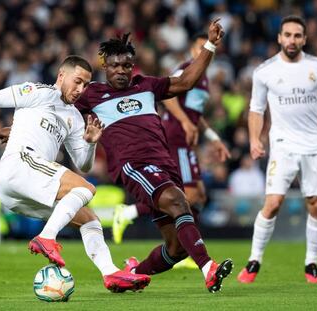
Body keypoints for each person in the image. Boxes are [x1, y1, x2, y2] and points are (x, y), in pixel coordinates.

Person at [0, 55, 150, 293]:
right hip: (21, 163)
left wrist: (92, 143)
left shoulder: (73, 117)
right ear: (61, 76)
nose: (80, 89)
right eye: (77, 81)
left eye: (85, 84)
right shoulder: (39, 91)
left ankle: (111, 273)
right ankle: (47, 237)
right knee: (87, 189)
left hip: (20, 192)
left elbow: (83, 164)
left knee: (89, 218)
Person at [75, 20, 233, 293]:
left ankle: (132, 274)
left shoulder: (146, 85)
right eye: (115, 66)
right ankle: (209, 268)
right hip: (133, 165)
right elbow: (58, 106)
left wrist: (210, 45)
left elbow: (185, 81)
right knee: (178, 201)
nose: (122, 71)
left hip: (164, 163)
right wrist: (19, 128)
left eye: (126, 65)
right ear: (105, 67)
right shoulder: (92, 95)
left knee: (177, 248)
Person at [112, 34, 231, 270]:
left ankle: (186, 247)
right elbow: (169, 99)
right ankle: (131, 213)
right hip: (175, 138)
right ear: (192, 49)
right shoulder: (186, 69)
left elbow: (197, 116)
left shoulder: (204, 80)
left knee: (199, 195)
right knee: (190, 195)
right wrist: (185, 122)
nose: (203, 52)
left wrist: (213, 138)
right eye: (199, 47)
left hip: (186, 141)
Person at [237, 15, 317, 284]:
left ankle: (311, 265)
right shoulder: (264, 71)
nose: (292, 40)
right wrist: (255, 139)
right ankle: (254, 260)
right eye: (287, 35)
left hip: (314, 144)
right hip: (282, 146)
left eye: (297, 35)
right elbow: (256, 109)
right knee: (273, 203)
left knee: (316, 205)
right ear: (279, 38)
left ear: (305, 39)